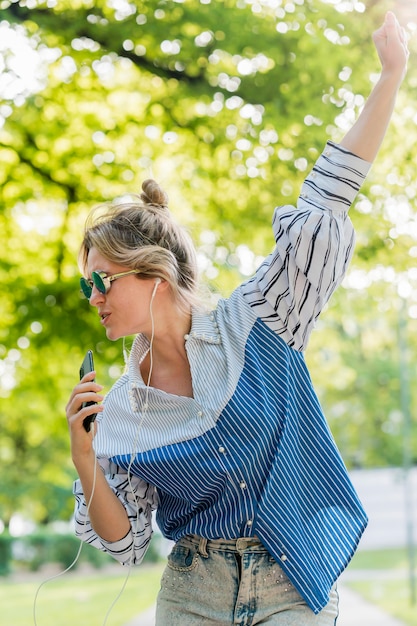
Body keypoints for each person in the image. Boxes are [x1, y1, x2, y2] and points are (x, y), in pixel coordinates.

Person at [66, 11, 408, 625]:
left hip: (292, 581)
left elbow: (325, 199)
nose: (92, 296)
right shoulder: (119, 412)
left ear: (155, 274)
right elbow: (125, 543)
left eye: (101, 280)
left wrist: (391, 75)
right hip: (192, 592)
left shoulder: (259, 319)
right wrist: (85, 458)